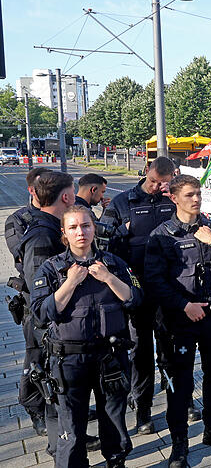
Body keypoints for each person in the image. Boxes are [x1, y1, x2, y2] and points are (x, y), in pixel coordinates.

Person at [31, 205, 142, 468]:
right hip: (69, 360)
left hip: (110, 357)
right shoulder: (51, 269)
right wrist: (70, 283)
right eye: (73, 227)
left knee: (113, 419)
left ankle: (116, 461)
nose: (80, 232)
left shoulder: (114, 263)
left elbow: (136, 298)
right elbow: (40, 313)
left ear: (94, 228)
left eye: (86, 225)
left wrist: (108, 278)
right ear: (64, 234)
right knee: (71, 424)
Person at [144, 175, 211, 468]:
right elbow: (154, 281)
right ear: (174, 198)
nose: (196, 199)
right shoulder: (162, 236)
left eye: (198, 193)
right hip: (180, 322)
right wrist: (184, 305)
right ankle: (179, 445)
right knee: (180, 385)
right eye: (189, 195)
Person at [99, 157, 180, 435]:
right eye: (155, 181)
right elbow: (100, 241)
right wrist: (124, 231)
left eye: (164, 182)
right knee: (140, 351)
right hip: (136, 288)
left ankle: (179, 400)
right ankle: (143, 408)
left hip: (169, 287)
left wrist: (177, 199)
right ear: (147, 172)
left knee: (172, 347)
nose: (158, 187)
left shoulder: (174, 198)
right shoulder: (123, 202)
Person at [16, 171, 81, 456]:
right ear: (66, 197)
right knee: (52, 387)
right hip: (48, 326)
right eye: (74, 193)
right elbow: (40, 290)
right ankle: (60, 446)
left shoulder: (50, 226)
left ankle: (67, 439)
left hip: (56, 323)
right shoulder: (43, 233)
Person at [5, 167, 49, 436]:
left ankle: (55, 409)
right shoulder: (18, 219)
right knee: (36, 355)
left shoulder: (60, 215)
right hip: (34, 299)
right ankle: (35, 407)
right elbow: (23, 256)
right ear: (33, 190)